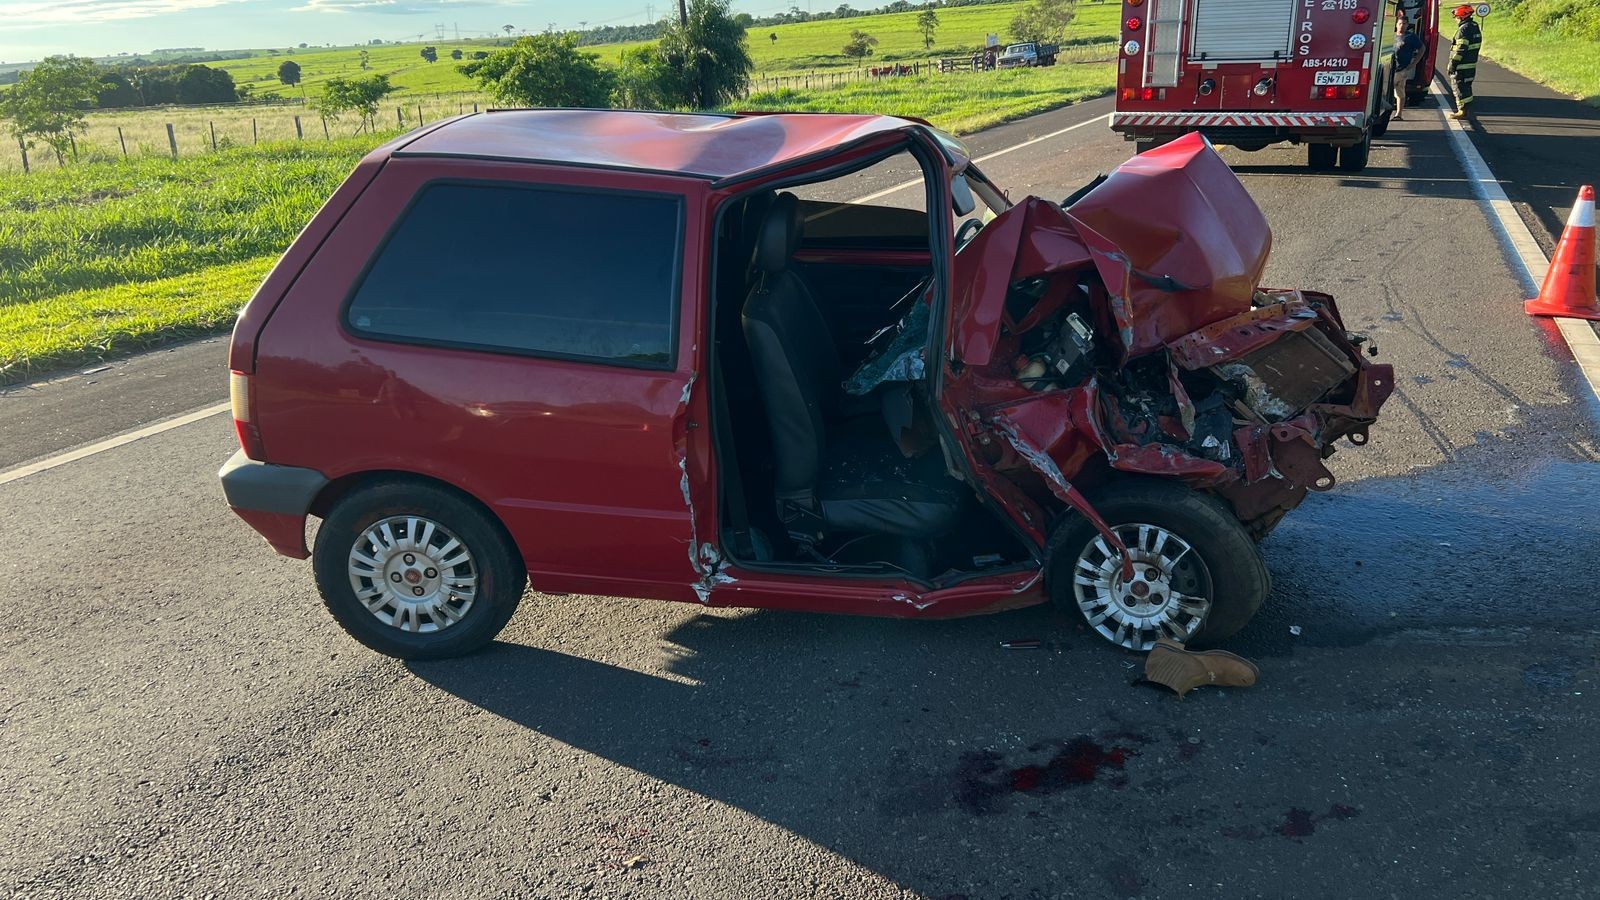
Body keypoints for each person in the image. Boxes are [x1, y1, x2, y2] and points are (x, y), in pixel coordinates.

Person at [1448, 5, 1482, 120]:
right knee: (1466, 87)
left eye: (1456, 17)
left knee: (1459, 87)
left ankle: (1461, 111)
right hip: (1470, 65)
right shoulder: (1474, 26)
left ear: (1462, 17)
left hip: (1461, 66)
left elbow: (1461, 48)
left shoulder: (1464, 29)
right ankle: (1465, 109)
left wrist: (1453, 64)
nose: (1455, 19)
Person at [1392, 15, 1424, 121]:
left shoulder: (1411, 37)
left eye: (1404, 24)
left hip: (1402, 69)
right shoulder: (1391, 36)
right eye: (1400, 23)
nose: (1402, 26)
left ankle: (1398, 114)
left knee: (1399, 91)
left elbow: (1422, 48)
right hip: (1390, 68)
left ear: (1407, 25)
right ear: (1396, 24)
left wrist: (1413, 64)